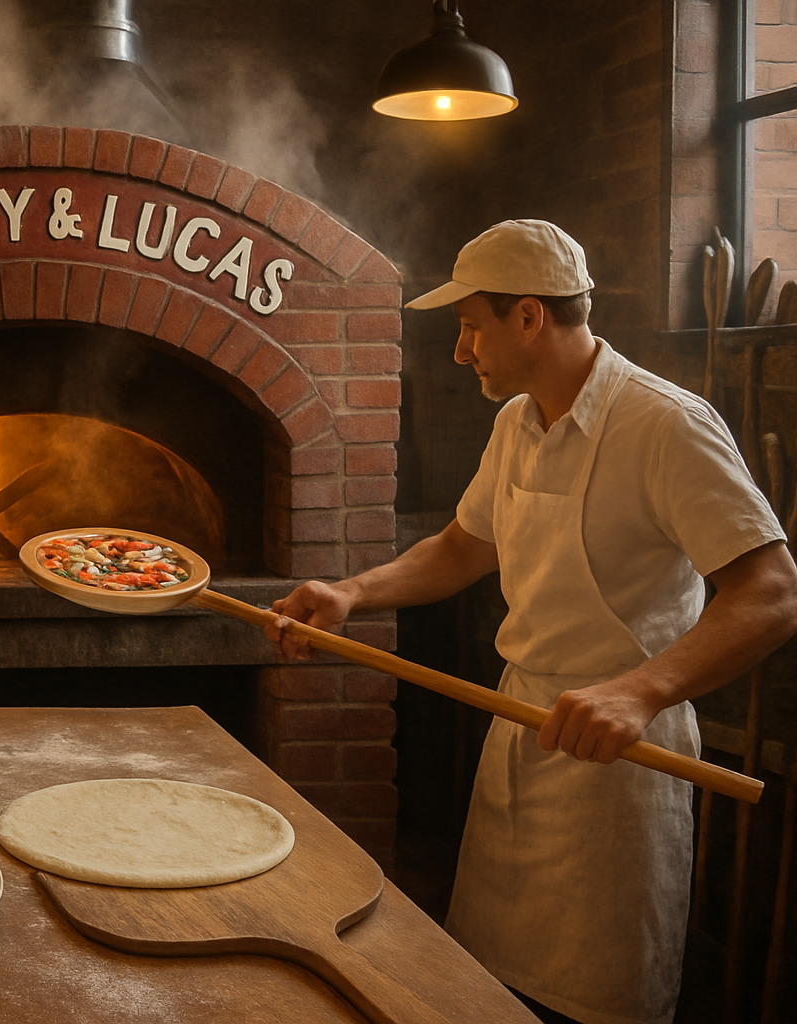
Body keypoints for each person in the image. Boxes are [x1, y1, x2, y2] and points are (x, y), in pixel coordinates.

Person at [268, 220, 797, 1024]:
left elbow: (772, 591)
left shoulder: (664, 424)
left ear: (528, 318)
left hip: (618, 766)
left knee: (595, 1004)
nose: (459, 350)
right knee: (487, 990)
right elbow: (461, 547)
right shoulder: (517, 422)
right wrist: (353, 594)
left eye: (469, 325)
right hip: (520, 731)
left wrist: (640, 692)